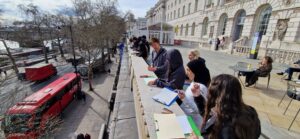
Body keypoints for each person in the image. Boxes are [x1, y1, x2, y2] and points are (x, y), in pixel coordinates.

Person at [200, 74, 261, 139]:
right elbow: (257, 133)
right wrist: (198, 98)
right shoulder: (251, 111)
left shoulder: (224, 127)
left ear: (217, 98)